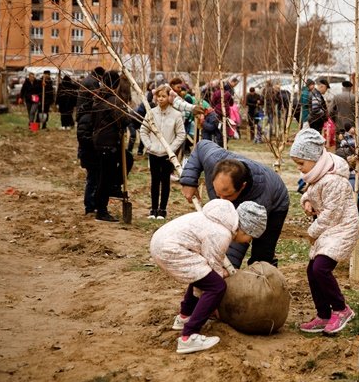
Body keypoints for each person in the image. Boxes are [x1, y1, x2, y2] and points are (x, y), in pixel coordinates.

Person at [150, 199, 267, 354]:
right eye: (250, 238)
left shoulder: (220, 219)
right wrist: (213, 303)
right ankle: (189, 336)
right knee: (217, 287)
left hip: (162, 242)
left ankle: (185, 316)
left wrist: (217, 274)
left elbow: (207, 268)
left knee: (201, 275)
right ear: (245, 229)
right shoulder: (221, 234)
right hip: (171, 250)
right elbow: (213, 265)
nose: (248, 242)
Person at [291, 129, 359, 335]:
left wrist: (312, 231)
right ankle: (323, 314)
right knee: (312, 270)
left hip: (342, 229)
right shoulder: (319, 174)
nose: (299, 168)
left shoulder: (334, 181)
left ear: (314, 159)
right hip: (329, 230)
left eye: (301, 163)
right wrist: (307, 201)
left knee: (321, 268)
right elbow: (310, 193)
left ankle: (341, 309)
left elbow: (332, 214)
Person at [178, 139, 289, 267]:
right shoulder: (213, 158)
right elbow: (201, 146)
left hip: (276, 203)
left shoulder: (259, 201)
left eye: (227, 196)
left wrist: (228, 266)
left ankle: (263, 278)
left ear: (242, 186)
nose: (221, 201)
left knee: (262, 252)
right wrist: (189, 181)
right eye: (217, 192)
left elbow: (239, 238)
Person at [140, 85, 186, 220]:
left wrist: (170, 148)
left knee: (165, 181)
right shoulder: (151, 113)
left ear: (169, 98)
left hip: (167, 154)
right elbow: (144, 131)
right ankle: (153, 209)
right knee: (154, 180)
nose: (160, 99)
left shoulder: (176, 114)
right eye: (158, 96)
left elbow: (181, 134)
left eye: (163, 96)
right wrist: (149, 146)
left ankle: (162, 209)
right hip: (154, 153)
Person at [91, 71, 129, 222]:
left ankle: (113, 188)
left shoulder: (99, 97)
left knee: (127, 160)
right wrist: (126, 113)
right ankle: (101, 211)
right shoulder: (113, 100)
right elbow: (124, 120)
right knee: (104, 178)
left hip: (100, 142)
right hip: (108, 144)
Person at [75, 66, 106, 215]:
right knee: (92, 179)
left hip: (87, 152)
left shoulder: (87, 80)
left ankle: (91, 204)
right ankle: (89, 205)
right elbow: (84, 138)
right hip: (89, 153)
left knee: (92, 178)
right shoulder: (93, 82)